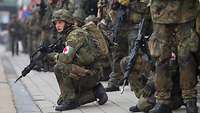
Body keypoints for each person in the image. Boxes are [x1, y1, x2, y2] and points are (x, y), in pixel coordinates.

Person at [49, 9, 108, 111]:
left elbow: (66, 59)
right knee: (61, 101)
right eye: (55, 23)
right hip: (89, 71)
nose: (57, 25)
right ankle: (96, 92)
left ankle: (71, 101)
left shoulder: (75, 35)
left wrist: (53, 56)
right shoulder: (72, 33)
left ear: (67, 22)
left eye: (60, 22)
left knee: (59, 67)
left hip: (91, 73)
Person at [148, 1, 199, 113]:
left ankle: (189, 98)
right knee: (161, 58)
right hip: (160, 13)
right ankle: (162, 100)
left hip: (185, 12)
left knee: (186, 57)